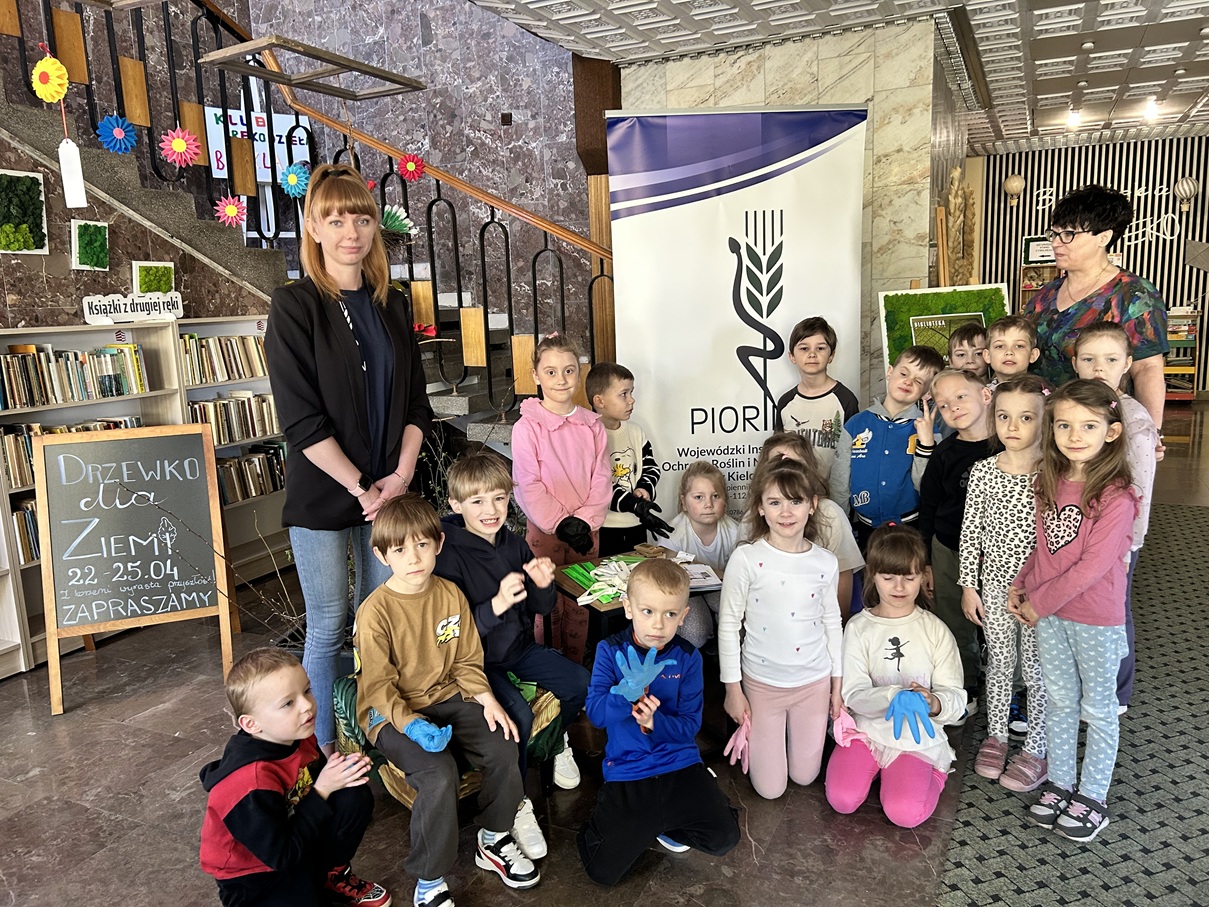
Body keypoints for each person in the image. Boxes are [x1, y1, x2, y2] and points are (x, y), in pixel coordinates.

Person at [265, 163, 434, 755]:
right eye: (334, 219)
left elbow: (416, 404)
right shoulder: (295, 306)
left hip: (390, 490)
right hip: (325, 492)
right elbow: (301, 420)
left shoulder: (393, 305)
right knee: (329, 624)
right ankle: (323, 751)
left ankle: (377, 737)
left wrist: (400, 478)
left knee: (379, 620)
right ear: (313, 227)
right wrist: (363, 487)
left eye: (360, 218)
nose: (350, 232)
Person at [354, 495, 540, 905]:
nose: (413, 558)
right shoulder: (375, 612)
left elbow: (466, 660)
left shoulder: (450, 594)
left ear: (438, 543)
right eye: (399, 549)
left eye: (422, 544)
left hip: (448, 695)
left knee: (504, 743)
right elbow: (379, 685)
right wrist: (410, 723)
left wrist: (487, 699)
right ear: (382, 555)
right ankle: (429, 878)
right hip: (392, 713)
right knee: (439, 774)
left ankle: (493, 837)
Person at [433, 449, 589, 860]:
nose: (491, 510)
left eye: (499, 498)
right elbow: (452, 633)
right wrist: (497, 605)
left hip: (518, 649)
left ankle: (555, 741)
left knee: (579, 682)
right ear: (456, 505)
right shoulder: (446, 555)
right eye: (478, 501)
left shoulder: (514, 543)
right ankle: (515, 804)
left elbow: (540, 608)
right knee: (516, 714)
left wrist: (542, 583)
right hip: (475, 662)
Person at [1008, 380, 1137, 842]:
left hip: (1094, 618)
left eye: (1088, 426)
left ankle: (1092, 797)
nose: (1074, 435)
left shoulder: (1118, 496)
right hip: (1051, 617)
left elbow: (1091, 568)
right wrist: (1021, 583)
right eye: (1064, 425)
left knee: (1098, 710)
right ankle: (1061, 784)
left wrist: (1036, 603)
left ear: (1112, 431)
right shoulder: (1049, 481)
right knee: (1060, 702)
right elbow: (1044, 547)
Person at [578, 559, 740, 885]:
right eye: (648, 611)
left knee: (725, 837)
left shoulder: (688, 657)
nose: (658, 624)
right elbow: (596, 714)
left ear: (683, 616)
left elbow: (689, 726)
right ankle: (620, 820)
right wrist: (626, 694)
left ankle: (664, 823)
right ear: (628, 608)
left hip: (679, 765)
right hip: (629, 769)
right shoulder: (610, 651)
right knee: (603, 872)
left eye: (669, 614)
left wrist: (655, 721)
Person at [199, 648, 391, 907]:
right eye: (288, 703)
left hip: (292, 834)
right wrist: (322, 790)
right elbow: (280, 856)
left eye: (307, 690)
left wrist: (343, 771)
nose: (307, 705)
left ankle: (331, 874)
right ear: (251, 724)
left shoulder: (296, 735)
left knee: (353, 794)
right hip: (254, 877)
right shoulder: (248, 784)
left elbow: (316, 783)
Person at [825, 525, 966, 829]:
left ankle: (935, 771)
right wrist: (893, 695)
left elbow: (956, 697)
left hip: (916, 736)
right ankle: (881, 772)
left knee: (904, 813)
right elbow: (853, 693)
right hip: (868, 729)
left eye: (909, 577)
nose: (899, 587)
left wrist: (934, 702)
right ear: (873, 575)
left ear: (923, 576)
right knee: (842, 799)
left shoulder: (936, 630)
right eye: (888, 577)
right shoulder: (858, 628)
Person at [718, 460, 844, 799]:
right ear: (760, 507)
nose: (786, 512)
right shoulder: (746, 559)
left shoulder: (825, 562)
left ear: (812, 505)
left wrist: (837, 685)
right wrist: (733, 690)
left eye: (796, 501)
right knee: (770, 789)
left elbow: (832, 622)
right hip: (763, 685)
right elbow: (728, 625)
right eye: (775, 502)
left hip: (813, 683)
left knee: (805, 776)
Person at [1021, 184, 1168, 453]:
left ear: (1104, 237)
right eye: (1054, 233)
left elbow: (1147, 368)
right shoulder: (1044, 295)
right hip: (1041, 428)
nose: (1056, 242)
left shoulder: (1133, 294)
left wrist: (1150, 432)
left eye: (1068, 234)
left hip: (1096, 434)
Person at [959, 376, 1050, 792]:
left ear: (1044, 420)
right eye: (1004, 416)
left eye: (1026, 417)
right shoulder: (983, 471)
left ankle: (1036, 746)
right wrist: (969, 586)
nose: (1013, 426)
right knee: (999, 661)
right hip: (994, 588)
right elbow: (971, 533)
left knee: (1035, 668)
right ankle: (996, 735)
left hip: (1037, 594)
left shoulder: (1054, 474)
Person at [1072, 322, 1158, 713]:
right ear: (1075, 363)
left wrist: (1127, 547)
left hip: (1117, 541)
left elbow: (1140, 492)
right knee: (1075, 609)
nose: (1098, 368)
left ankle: (1116, 693)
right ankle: (1077, 683)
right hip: (1073, 531)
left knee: (1112, 611)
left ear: (1126, 364)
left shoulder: (1135, 421)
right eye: (1089, 359)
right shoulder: (1069, 407)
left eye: (1110, 360)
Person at [511, 333, 612, 665]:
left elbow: (602, 478)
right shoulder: (527, 427)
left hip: (586, 532)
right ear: (536, 376)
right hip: (546, 532)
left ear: (579, 373)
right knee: (548, 605)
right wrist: (560, 522)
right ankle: (551, 670)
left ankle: (577, 669)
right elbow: (527, 483)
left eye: (569, 370)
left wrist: (583, 521)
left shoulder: (593, 426)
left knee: (581, 602)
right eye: (551, 372)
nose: (561, 379)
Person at [916, 369, 994, 711]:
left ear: (986, 396)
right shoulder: (944, 453)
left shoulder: (1011, 445)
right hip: (949, 549)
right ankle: (966, 684)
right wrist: (927, 563)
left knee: (1002, 620)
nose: (954, 407)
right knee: (954, 620)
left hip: (999, 553)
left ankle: (1014, 688)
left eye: (961, 397)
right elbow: (929, 506)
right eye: (944, 405)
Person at [831, 344, 945, 550]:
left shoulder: (929, 430)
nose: (908, 382)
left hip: (910, 529)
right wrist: (840, 528)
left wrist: (926, 445)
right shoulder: (856, 424)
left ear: (927, 391)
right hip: (864, 529)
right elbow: (840, 482)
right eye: (904, 373)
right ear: (890, 372)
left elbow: (927, 488)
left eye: (919, 381)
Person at [754, 432, 864, 621]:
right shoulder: (752, 518)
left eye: (794, 464)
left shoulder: (830, 513)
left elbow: (843, 577)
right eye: (778, 464)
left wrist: (837, 626)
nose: (787, 472)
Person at [585, 361, 673, 556]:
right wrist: (634, 504)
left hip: (636, 525)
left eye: (631, 392)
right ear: (599, 401)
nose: (631, 400)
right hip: (603, 528)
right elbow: (598, 487)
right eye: (623, 394)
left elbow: (651, 468)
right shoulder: (588, 436)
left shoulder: (636, 432)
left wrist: (644, 489)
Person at [659, 460, 743, 647]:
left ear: (725, 499)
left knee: (738, 617)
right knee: (696, 632)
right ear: (684, 502)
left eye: (715, 496)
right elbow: (666, 579)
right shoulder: (673, 534)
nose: (708, 504)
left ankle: (725, 653)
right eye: (699, 497)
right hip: (685, 593)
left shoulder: (734, 531)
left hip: (720, 587)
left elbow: (740, 578)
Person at [773, 317, 860, 482]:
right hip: (795, 492)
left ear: (831, 355)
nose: (812, 354)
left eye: (820, 348)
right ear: (792, 356)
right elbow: (777, 454)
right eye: (804, 348)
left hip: (834, 493)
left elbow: (855, 454)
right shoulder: (785, 403)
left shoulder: (846, 400)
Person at [983, 315, 1040, 386]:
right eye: (1000, 346)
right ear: (987, 355)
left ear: (1033, 355)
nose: (1009, 352)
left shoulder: (1042, 392)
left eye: (1019, 346)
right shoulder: (980, 392)